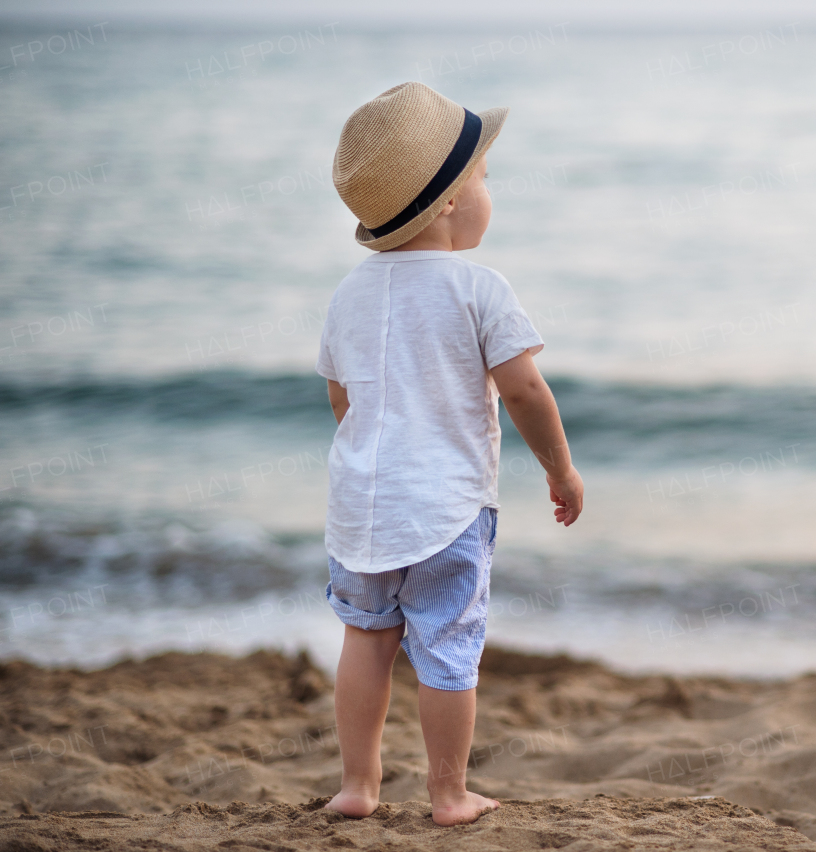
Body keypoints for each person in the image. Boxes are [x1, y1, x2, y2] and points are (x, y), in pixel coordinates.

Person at [315, 82, 583, 826]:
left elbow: (343, 401)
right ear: (448, 206)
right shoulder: (479, 288)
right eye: (483, 180)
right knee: (448, 652)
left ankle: (359, 787)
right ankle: (448, 793)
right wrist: (560, 470)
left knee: (365, 643)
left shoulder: (348, 295)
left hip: (363, 510)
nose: (489, 193)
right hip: (448, 509)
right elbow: (526, 392)